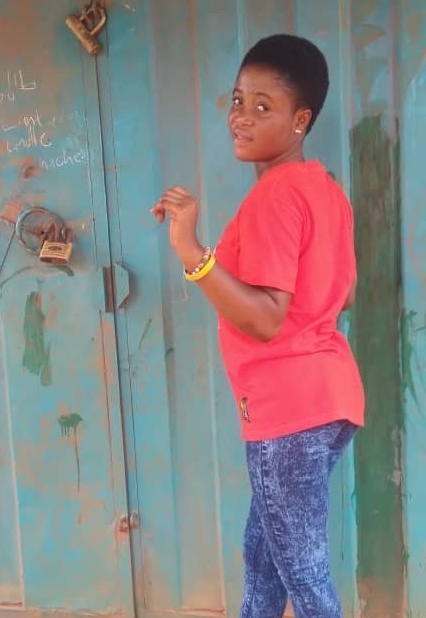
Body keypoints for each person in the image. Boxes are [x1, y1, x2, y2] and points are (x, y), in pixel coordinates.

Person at [152, 33, 364, 618]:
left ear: (301, 120)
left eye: (263, 106)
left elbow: (269, 318)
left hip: (287, 410)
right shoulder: (325, 191)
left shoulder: (276, 196)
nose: (241, 117)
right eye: (238, 99)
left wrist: (190, 250)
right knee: (265, 557)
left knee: (305, 577)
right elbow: (344, 291)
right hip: (329, 401)